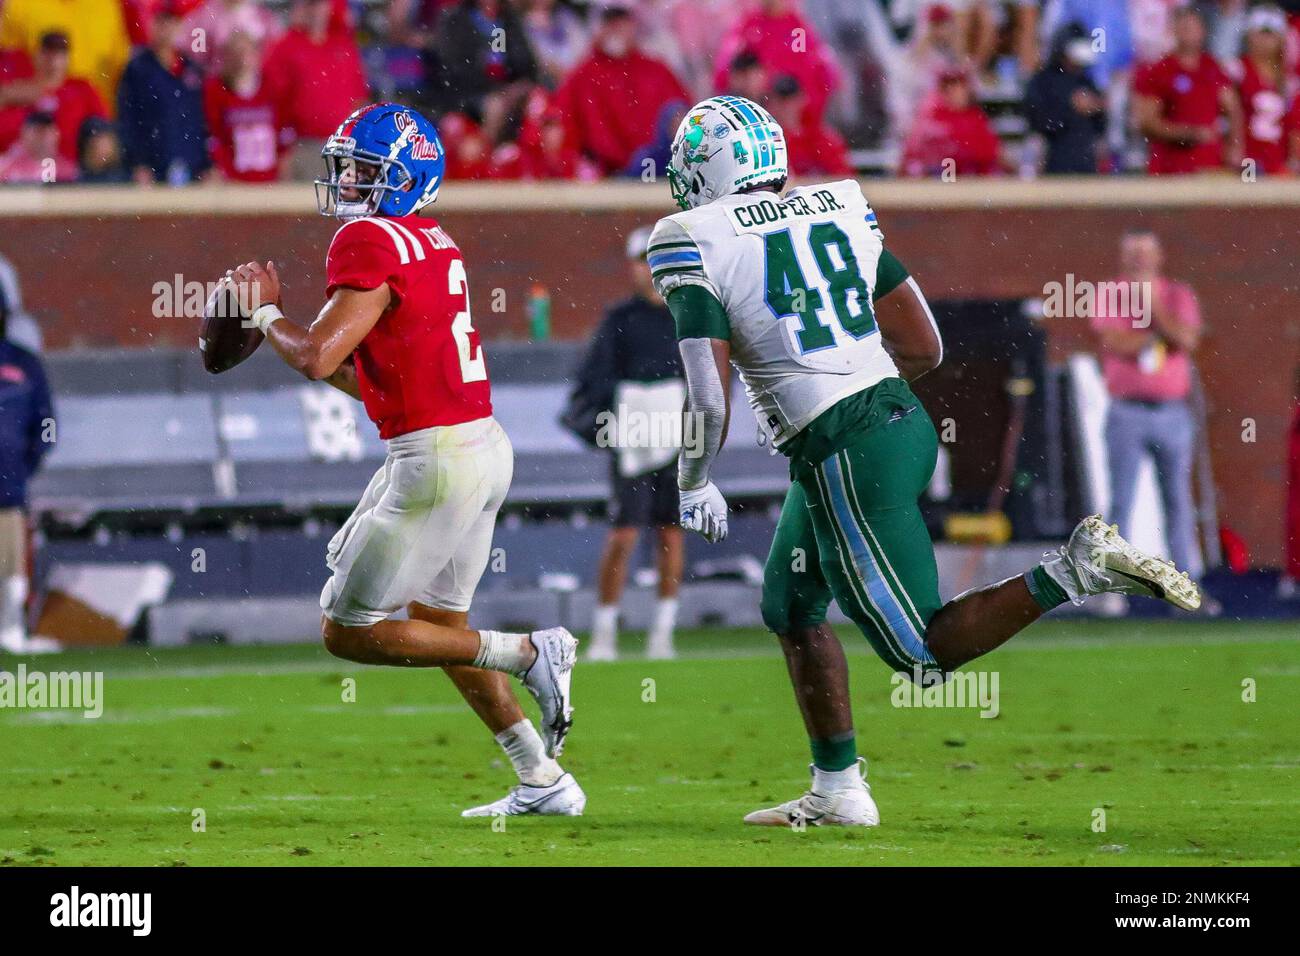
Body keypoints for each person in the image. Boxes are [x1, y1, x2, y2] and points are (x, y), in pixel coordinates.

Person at [652, 95, 1200, 827]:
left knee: (921, 655)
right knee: (789, 603)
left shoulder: (689, 235)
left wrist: (693, 480)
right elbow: (925, 344)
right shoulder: (835, 202)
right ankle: (838, 789)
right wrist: (860, 395)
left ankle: (1076, 567)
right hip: (894, 419)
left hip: (844, 446)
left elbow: (707, 397)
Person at [223, 102, 582, 817]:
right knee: (439, 625)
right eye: (348, 169)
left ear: (403, 178)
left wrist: (264, 316)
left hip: (436, 461)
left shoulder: (368, 238)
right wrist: (280, 333)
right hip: (479, 445)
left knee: (349, 630)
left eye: (363, 171)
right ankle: (541, 778)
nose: (348, 184)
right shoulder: (433, 240)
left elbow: (318, 352)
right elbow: (366, 380)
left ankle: (533, 655)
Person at [574, 226, 686, 662]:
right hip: (634, 435)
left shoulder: (685, 316)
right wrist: (606, 425)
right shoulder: (620, 319)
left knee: (671, 534)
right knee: (623, 534)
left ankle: (664, 632)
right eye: (642, 260)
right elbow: (595, 379)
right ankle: (605, 632)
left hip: (679, 436)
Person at [1090, 230, 1208, 601]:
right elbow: (1113, 341)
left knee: (1178, 500)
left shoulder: (1178, 294)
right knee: (1120, 501)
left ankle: (1186, 586)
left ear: (1159, 257)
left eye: (1146, 253)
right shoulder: (1108, 293)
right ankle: (1112, 588)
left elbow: (1189, 339)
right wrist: (1158, 337)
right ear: (1123, 258)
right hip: (1127, 411)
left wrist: (1154, 308)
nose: (1140, 260)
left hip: (1172, 412)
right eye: (1133, 254)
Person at [552, 1, 689, 176]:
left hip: (660, 170)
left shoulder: (657, 70)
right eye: (609, 21)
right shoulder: (581, 76)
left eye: (622, 20)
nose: (616, 28)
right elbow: (562, 129)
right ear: (598, 27)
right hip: (608, 178)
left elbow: (685, 118)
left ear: (634, 24)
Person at [0, 282, 53, 654]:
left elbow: (46, 425)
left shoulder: (24, 363)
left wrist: (22, 466)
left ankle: (11, 629)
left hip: (8, 484)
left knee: (10, 564)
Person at [263, 0, 369, 180]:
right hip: (304, 147)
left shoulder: (344, 45)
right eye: (310, 4)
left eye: (319, 4)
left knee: (345, 205)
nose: (315, 10)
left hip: (344, 147)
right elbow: (272, 102)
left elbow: (359, 99)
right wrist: (282, 150)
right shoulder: (284, 47)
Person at [1132, 5, 1243, 174]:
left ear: (1203, 30)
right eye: (1184, 27)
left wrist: (1235, 147)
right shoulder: (1160, 71)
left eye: (1192, 27)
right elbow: (1147, 122)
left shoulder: (1213, 69)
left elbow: (1234, 110)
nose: (1188, 33)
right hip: (1170, 168)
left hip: (1209, 167)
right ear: (1174, 30)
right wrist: (1187, 134)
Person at [117, 1, 210, 185]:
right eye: (162, 22)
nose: (167, 28)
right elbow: (129, 119)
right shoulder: (138, 70)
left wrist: (206, 164)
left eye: (172, 22)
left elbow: (201, 121)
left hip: (191, 167)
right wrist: (137, 163)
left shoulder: (191, 69)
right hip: (152, 168)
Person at [0, 31, 106, 164]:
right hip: (17, 174)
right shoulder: (17, 91)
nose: (53, 60)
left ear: (68, 58)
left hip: (71, 174)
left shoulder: (82, 90)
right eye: (48, 52)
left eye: (59, 53)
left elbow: (104, 132)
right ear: (37, 55)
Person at [204, 30, 290, 183]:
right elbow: (215, 138)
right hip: (235, 182)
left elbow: (284, 135)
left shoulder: (272, 88)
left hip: (269, 180)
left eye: (246, 52)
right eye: (236, 53)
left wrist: (282, 170)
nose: (242, 59)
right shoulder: (216, 92)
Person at [1024, 24, 1106, 174]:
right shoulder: (1043, 80)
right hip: (1054, 161)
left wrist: (1098, 106)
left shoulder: (1086, 81)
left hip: (1086, 164)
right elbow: (1039, 120)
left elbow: (1100, 124)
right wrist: (1070, 107)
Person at [0, 111, 77, 183]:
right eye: (36, 131)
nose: (41, 137)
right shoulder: (7, 166)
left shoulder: (68, 170)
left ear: (56, 134)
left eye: (45, 131)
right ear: (24, 134)